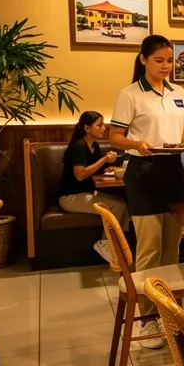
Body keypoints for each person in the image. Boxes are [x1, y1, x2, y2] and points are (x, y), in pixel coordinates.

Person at [109, 35, 184, 349]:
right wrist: (135, 143)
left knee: (171, 248)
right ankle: (148, 318)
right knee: (150, 249)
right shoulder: (129, 94)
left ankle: (171, 312)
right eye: (159, 60)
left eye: (169, 60)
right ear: (143, 59)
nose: (166, 66)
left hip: (173, 171)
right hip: (144, 172)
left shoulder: (178, 92)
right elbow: (114, 136)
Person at [57, 111, 128, 263]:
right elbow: (80, 174)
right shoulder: (79, 147)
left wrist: (109, 168)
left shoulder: (94, 146)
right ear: (87, 128)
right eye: (99, 125)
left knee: (123, 203)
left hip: (85, 193)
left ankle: (118, 246)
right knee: (117, 206)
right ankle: (106, 244)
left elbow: (94, 170)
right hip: (70, 197)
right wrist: (104, 159)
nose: (104, 128)